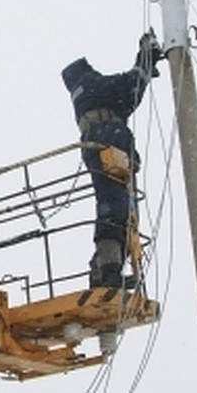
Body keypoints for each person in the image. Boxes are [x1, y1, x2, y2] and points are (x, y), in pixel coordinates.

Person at [61, 31, 161, 288]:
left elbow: (126, 92)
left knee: (115, 206)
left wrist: (143, 66)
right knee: (118, 207)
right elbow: (129, 88)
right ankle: (107, 272)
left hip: (99, 141)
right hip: (109, 139)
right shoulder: (91, 84)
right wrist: (145, 61)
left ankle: (105, 269)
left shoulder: (84, 94)